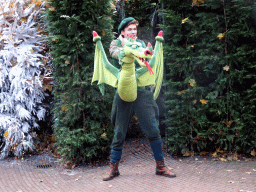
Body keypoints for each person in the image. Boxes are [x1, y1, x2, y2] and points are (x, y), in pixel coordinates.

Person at [103, 17, 176, 181]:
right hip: (123, 90)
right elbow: (115, 54)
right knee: (119, 131)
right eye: (129, 29)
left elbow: (146, 58)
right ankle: (113, 168)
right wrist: (125, 49)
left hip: (141, 89)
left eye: (134, 29)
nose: (133, 32)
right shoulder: (116, 44)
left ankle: (161, 166)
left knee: (152, 128)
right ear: (122, 31)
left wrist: (147, 53)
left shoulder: (141, 44)